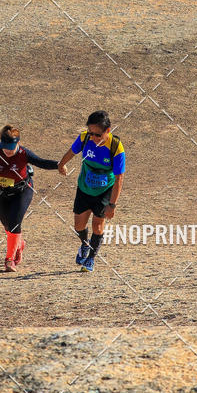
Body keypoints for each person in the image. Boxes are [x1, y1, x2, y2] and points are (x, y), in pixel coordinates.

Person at [0, 125, 63, 272]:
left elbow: (41, 162)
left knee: (14, 223)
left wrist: (59, 165)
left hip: (23, 191)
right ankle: (19, 244)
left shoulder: (24, 153)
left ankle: (9, 260)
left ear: (17, 143)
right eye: (5, 147)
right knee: (7, 226)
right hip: (3, 192)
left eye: (10, 147)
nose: (7, 151)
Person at [58, 110, 125, 272]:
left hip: (104, 191)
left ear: (107, 131)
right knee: (79, 225)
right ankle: (84, 244)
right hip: (84, 189)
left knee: (98, 226)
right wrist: (61, 164)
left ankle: (91, 258)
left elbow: (119, 179)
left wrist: (112, 205)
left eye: (97, 135)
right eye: (91, 133)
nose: (94, 138)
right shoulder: (84, 138)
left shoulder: (116, 147)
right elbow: (72, 151)